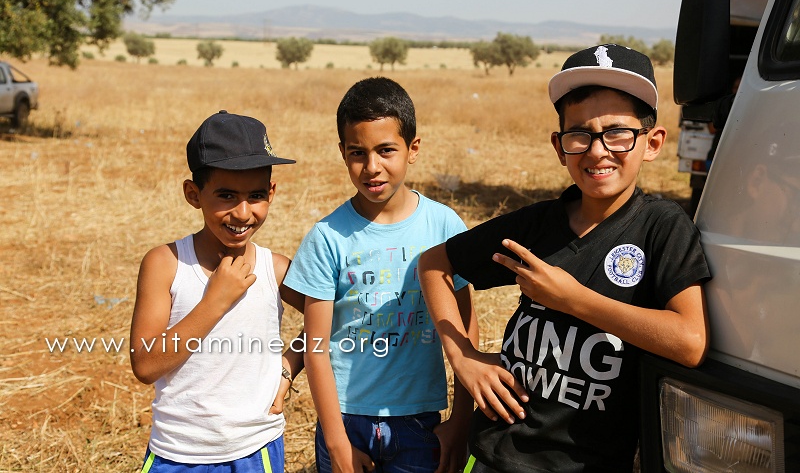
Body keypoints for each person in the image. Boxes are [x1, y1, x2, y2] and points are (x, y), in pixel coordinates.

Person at [418, 44, 711, 472]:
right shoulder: (539, 224)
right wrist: (463, 356)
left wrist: (573, 300)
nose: (597, 151)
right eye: (580, 135)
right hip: (493, 453)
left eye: (617, 133)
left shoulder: (661, 228)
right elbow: (433, 264)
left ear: (652, 143)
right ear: (559, 148)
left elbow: (690, 342)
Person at [283, 77, 477, 473]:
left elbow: (465, 328)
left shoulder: (444, 226)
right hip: (346, 419)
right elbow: (316, 348)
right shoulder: (328, 237)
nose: (372, 167)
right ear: (343, 152)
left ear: (413, 149)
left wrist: (461, 421)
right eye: (358, 153)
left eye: (386, 150)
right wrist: (336, 443)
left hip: (420, 421)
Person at [130, 110, 304, 472]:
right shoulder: (166, 264)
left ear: (271, 192)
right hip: (176, 453)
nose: (242, 213)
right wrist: (215, 302)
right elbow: (145, 365)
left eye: (256, 195)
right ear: (193, 194)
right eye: (226, 195)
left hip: (255, 449)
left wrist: (288, 368)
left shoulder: (275, 269)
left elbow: (335, 318)